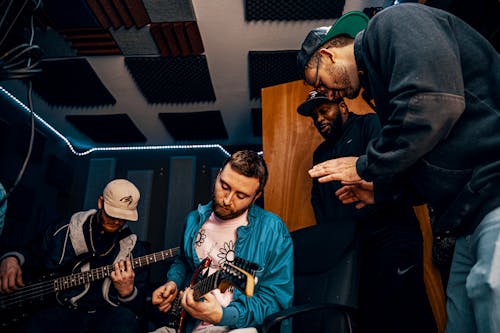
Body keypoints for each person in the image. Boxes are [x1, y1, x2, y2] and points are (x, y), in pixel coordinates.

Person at [297, 3, 500, 333]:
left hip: (494, 194)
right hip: (465, 219)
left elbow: (431, 105)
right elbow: (426, 166)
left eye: (319, 83)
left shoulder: (393, 22)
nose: (329, 94)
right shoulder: (381, 88)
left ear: (329, 55)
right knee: (461, 322)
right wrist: (383, 191)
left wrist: (364, 166)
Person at [297, 90, 436, 333]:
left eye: (323, 110)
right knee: (370, 317)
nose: (318, 119)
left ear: (341, 106)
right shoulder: (320, 153)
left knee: (406, 312)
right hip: (353, 250)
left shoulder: (369, 124)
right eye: (314, 115)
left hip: (390, 238)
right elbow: (319, 201)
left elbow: (394, 170)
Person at [151, 150, 293, 333]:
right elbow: (182, 262)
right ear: (218, 175)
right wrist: (173, 283)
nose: (227, 200)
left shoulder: (273, 230)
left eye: (240, 196)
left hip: (240, 326)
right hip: (188, 324)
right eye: (224, 186)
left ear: (256, 196)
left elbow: (274, 301)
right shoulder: (194, 219)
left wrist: (222, 316)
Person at [0, 178, 148, 333]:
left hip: (107, 315)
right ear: (100, 203)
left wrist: (128, 292)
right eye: (112, 214)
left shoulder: (135, 250)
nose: (117, 221)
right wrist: (12, 258)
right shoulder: (63, 229)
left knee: (127, 323)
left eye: (123, 216)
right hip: (59, 309)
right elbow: (31, 251)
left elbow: (142, 307)